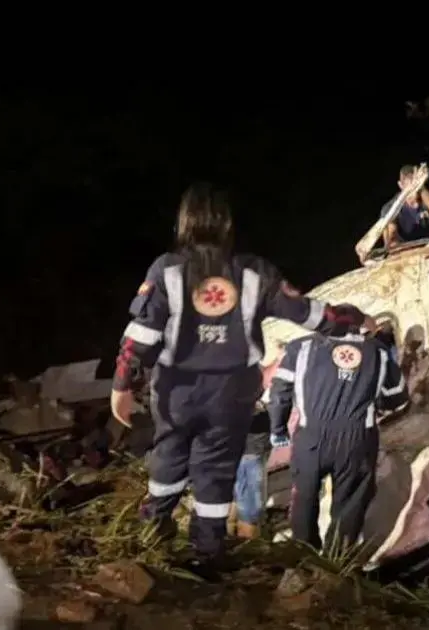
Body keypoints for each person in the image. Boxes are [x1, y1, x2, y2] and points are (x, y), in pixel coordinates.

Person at [110, 182, 370, 576]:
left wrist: (122, 384)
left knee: (168, 457)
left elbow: (141, 334)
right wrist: (352, 320)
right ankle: (206, 553)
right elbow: (309, 314)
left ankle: (153, 528)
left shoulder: (166, 269)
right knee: (215, 471)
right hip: (230, 394)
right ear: (228, 224)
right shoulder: (256, 272)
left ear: (184, 222)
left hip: (176, 389)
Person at [266, 328, 408, 551]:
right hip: (357, 439)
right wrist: (375, 404)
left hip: (310, 437)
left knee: (304, 496)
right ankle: (335, 559)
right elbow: (397, 396)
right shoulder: (377, 352)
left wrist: (278, 429)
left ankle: (304, 554)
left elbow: (278, 394)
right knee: (350, 502)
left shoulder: (301, 347)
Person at [381, 164, 429, 247]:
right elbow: (391, 240)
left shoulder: (428, 197)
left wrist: (421, 188)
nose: (412, 189)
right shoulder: (390, 208)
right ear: (400, 185)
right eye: (408, 185)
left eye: (415, 185)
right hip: (407, 248)